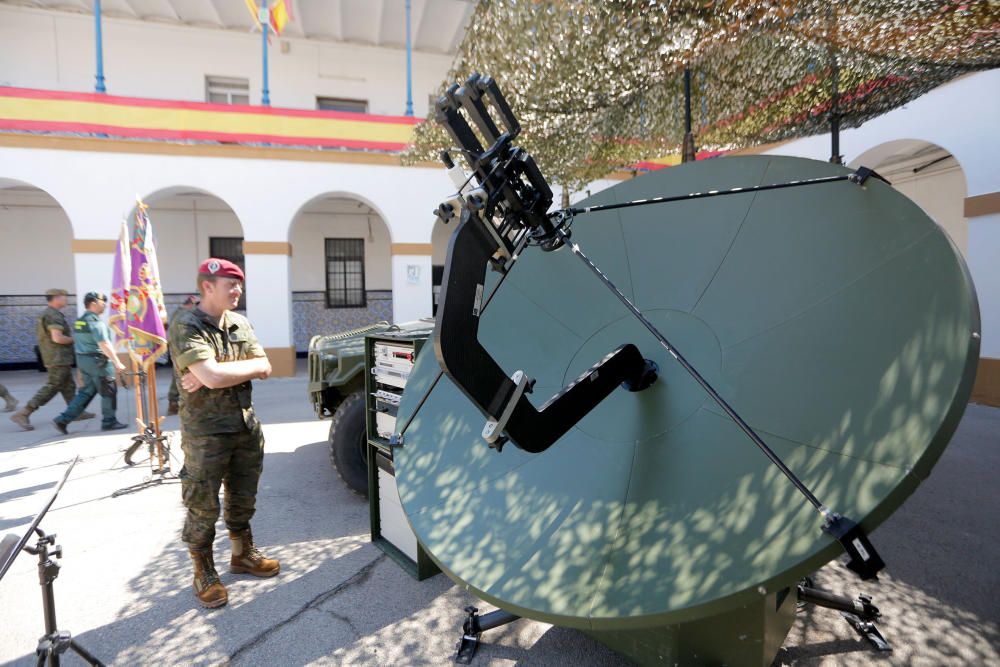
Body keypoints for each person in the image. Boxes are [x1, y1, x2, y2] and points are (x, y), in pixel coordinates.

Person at [170, 258, 278, 609]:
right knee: (203, 505)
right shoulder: (187, 323)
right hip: (206, 435)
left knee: (242, 497)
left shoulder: (239, 322)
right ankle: (203, 570)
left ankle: (242, 555)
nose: (237, 291)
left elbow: (265, 365)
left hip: (245, 427)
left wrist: (211, 372)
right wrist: (214, 373)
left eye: (239, 285)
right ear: (207, 287)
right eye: (230, 285)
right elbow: (217, 376)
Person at [11, 288, 94, 430]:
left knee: (68, 386)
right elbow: (57, 338)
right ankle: (24, 413)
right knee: (53, 386)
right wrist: (76, 339)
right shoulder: (52, 315)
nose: (66, 299)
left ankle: (75, 412)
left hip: (57, 357)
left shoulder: (49, 313)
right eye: (64, 297)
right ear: (56, 298)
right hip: (57, 358)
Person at [52, 292, 128, 434]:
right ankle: (109, 421)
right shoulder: (95, 322)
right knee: (108, 391)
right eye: (102, 301)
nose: (105, 304)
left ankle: (62, 420)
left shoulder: (80, 321)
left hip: (83, 361)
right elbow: (104, 343)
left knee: (86, 392)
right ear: (93, 303)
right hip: (98, 362)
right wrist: (117, 362)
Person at [166, 294, 200, 416]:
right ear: (190, 303)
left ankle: (174, 402)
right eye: (195, 304)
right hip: (181, 348)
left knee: (178, 374)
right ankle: (174, 403)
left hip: (179, 347)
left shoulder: (178, 312)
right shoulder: (184, 314)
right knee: (179, 375)